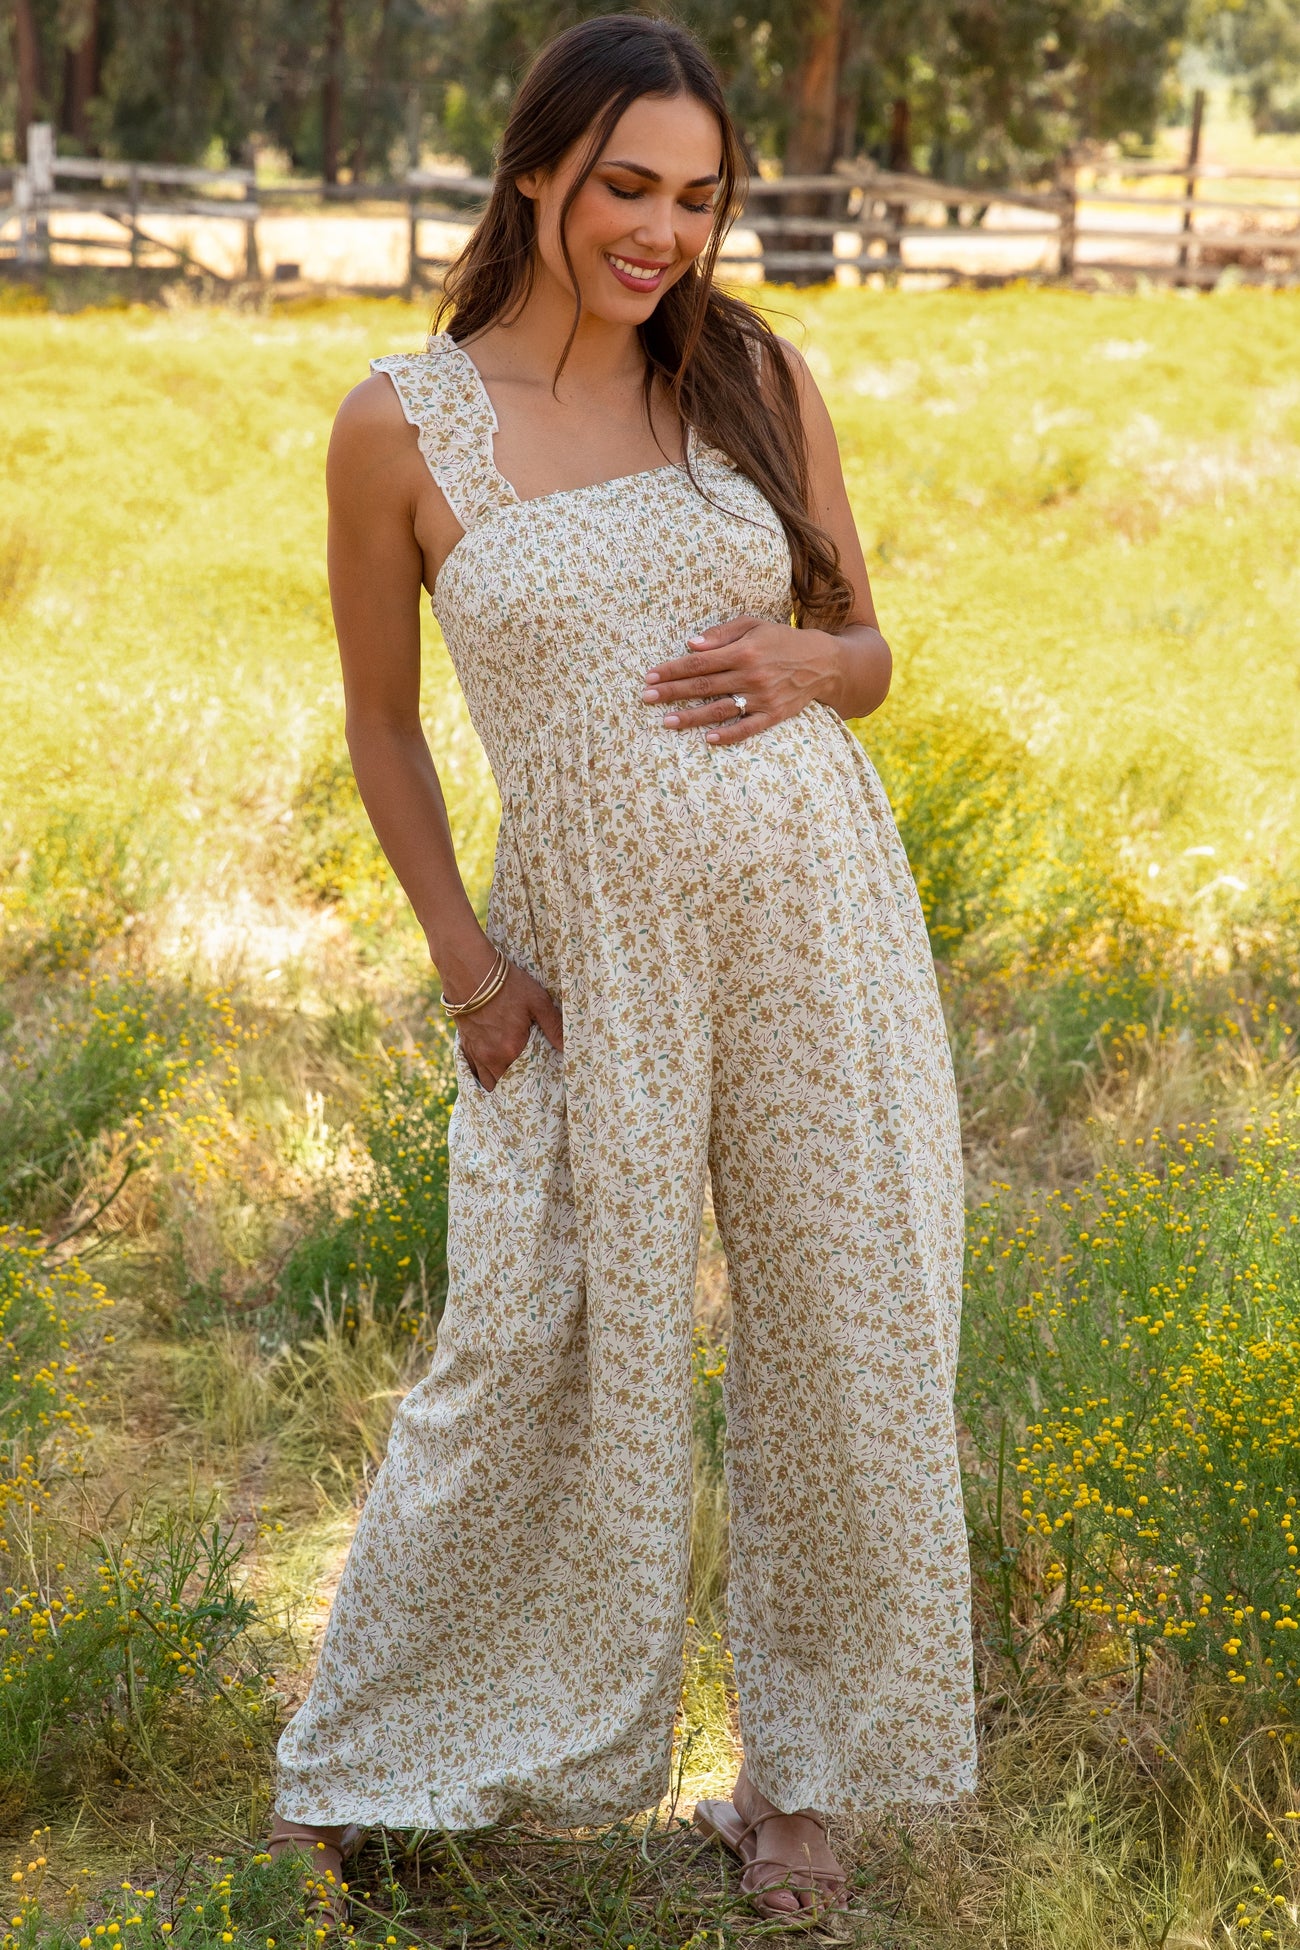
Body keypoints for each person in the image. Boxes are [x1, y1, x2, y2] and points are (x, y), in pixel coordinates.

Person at [269, 12, 975, 1926]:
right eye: (627, 189)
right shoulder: (402, 425)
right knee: (530, 1338)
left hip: (817, 916)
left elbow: (865, 648)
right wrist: (468, 967)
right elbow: (384, 723)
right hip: (579, 954)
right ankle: (383, 1752)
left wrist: (812, 662)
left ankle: (801, 1782)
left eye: (700, 198)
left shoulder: (748, 372)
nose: (664, 233)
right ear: (536, 175)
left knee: (849, 1327)